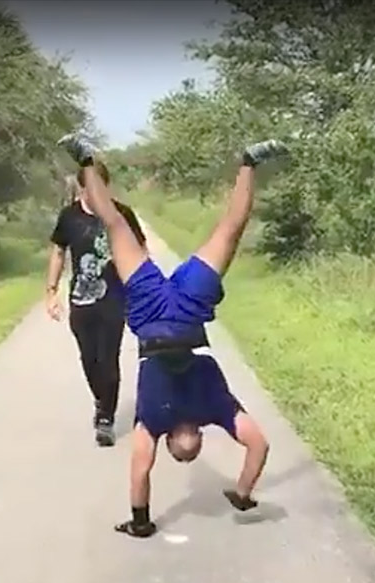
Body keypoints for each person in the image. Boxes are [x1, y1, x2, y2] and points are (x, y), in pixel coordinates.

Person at [57, 131, 289, 538]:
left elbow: (259, 447)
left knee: (231, 229)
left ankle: (249, 161)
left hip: (189, 315)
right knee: (114, 223)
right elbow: (140, 469)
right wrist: (140, 521)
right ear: (170, 440)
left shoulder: (217, 408)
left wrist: (244, 492)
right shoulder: (153, 418)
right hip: (150, 317)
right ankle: (86, 160)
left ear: (198, 433)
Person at [45, 161, 148, 447]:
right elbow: (57, 252)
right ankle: (101, 400)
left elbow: (140, 250)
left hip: (115, 298)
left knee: (108, 358)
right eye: (91, 187)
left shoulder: (122, 213)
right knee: (89, 359)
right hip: (81, 299)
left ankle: (106, 418)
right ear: (82, 188)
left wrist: (145, 290)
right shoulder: (69, 217)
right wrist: (51, 291)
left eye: (102, 186)